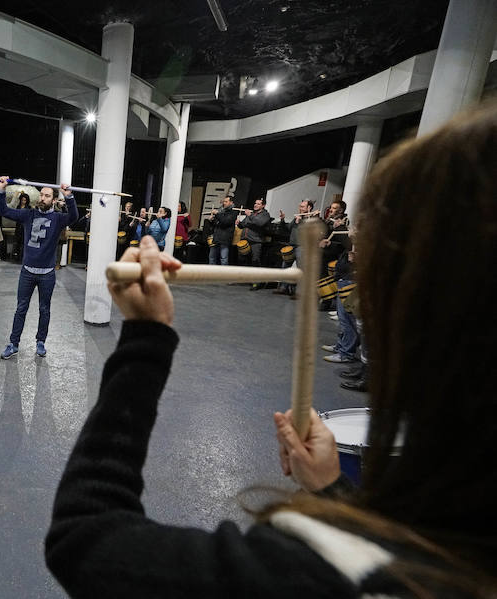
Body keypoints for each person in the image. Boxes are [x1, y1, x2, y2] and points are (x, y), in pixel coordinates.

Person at [45, 103, 497, 598]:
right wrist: (333, 491)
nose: (358, 265)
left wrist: (145, 339)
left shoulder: (319, 577)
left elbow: (85, 539)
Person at [0, 176, 78, 359]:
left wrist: (70, 197)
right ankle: (13, 344)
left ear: (54, 200)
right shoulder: (29, 214)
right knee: (21, 309)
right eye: (41, 195)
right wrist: (1, 190)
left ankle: (41, 342)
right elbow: (2, 210)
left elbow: (74, 217)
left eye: (47, 196)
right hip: (27, 272)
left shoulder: (58, 219)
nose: (42, 198)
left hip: (47, 274)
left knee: (44, 309)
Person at [274, 199, 317, 297]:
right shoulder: (297, 217)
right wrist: (282, 220)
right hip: (292, 245)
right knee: (285, 267)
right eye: (300, 206)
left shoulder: (312, 218)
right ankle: (283, 288)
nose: (300, 208)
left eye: (302, 207)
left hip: (303, 247)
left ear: (309, 207)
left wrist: (300, 222)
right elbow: (288, 229)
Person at [237, 196, 272, 289]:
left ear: (263, 205)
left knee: (255, 261)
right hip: (246, 240)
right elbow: (244, 224)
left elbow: (259, 223)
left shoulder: (265, 215)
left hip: (256, 241)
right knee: (243, 259)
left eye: (258, 204)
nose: (255, 205)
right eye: (255, 203)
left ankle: (257, 282)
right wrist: (239, 223)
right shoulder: (252, 214)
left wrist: (250, 215)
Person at [208, 195, 236, 265]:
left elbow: (225, 222)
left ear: (231, 202)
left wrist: (217, 214)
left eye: (226, 201)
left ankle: (224, 274)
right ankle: (210, 273)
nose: (224, 203)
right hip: (217, 237)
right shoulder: (221, 210)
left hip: (225, 239)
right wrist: (212, 220)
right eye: (224, 201)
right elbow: (216, 223)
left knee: (223, 258)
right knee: (211, 257)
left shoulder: (233, 212)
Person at [12, 192, 31, 262]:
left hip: (25, 227)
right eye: (22, 200)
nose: (23, 201)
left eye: (25, 200)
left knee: (24, 243)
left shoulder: (29, 208)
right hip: (18, 226)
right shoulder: (18, 206)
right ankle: (17, 257)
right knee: (17, 242)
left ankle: (23, 257)